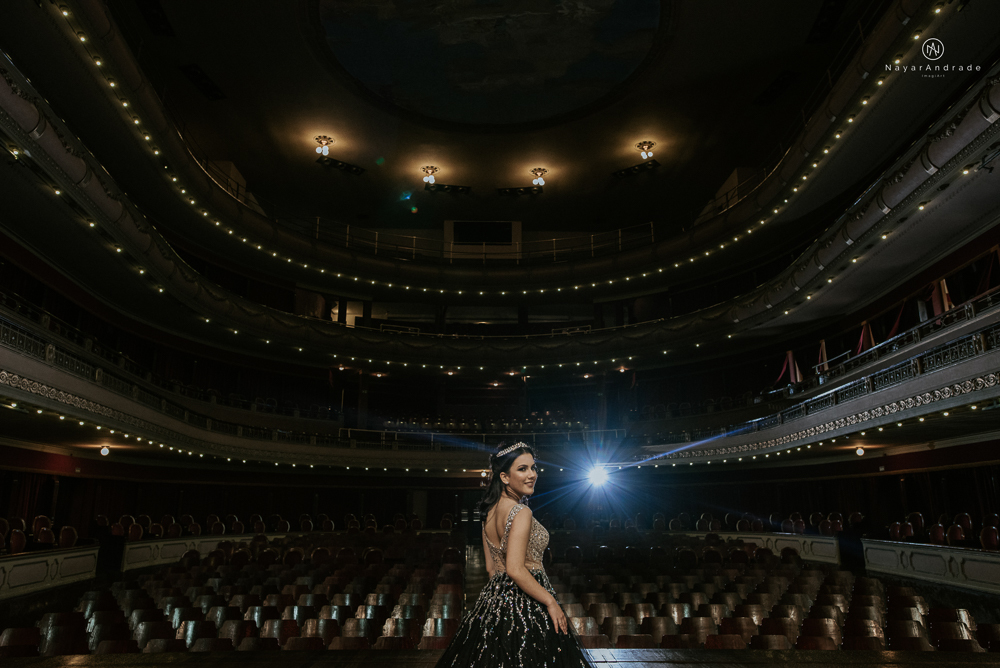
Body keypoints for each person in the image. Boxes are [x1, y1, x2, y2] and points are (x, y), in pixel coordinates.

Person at [435, 443, 594, 667]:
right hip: (529, 603)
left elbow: (492, 569)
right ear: (505, 477)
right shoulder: (521, 511)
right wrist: (550, 602)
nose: (532, 475)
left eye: (533, 468)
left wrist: (500, 607)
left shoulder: (488, 513)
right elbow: (515, 569)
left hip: (494, 602)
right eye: (522, 469)